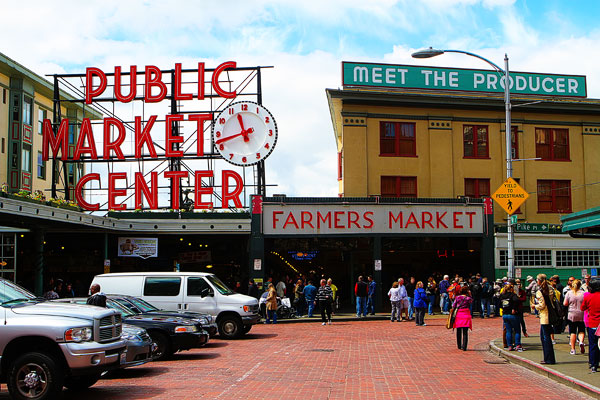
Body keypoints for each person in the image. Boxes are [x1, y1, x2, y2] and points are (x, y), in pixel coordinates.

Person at [535, 274, 556, 364]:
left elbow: (542, 305)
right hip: (551, 314)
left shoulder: (540, 291)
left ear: (539, 281)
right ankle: (549, 358)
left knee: (545, 338)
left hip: (544, 316)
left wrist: (534, 306)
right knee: (546, 336)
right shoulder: (550, 289)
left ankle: (548, 358)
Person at [581, 277, 600, 372]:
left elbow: (582, 307)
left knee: (593, 345)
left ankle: (593, 365)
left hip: (592, 323)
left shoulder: (588, 296)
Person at [564, 279, 586, 355]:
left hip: (572, 314)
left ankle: (573, 349)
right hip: (581, 313)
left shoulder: (569, 293)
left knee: (573, 331)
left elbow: (565, 303)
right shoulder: (583, 293)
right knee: (581, 330)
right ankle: (581, 341)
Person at [500, 283, 523, 352]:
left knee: (508, 330)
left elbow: (499, 303)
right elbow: (517, 300)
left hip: (505, 314)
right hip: (512, 314)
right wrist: (514, 308)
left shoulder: (502, 295)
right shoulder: (513, 295)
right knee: (517, 330)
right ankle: (517, 344)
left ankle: (509, 345)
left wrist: (503, 308)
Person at [452, 286, 473, 351]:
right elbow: (472, 302)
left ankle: (459, 345)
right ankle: (464, 346)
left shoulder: (457, 298)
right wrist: (470, 295)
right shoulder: (468, 298)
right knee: (465, 331)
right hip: (466, 314)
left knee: (458, 330)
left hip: (459, 314)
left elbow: (453, 305)